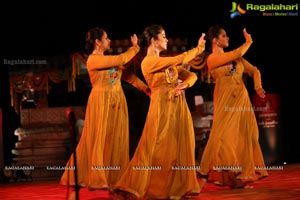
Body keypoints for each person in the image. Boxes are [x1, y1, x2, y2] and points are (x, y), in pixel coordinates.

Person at [113, 24, 206, 199]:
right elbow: (181, 59)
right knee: (155, 148)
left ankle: (178, 188)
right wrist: (199, 48)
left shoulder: (166, 63)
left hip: (178, 108)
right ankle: (139, 187)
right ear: (154, 41)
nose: (166, 39)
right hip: (161, 108)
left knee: (180, 146)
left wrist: (183, 84)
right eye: (163, 36)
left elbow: (191, 75)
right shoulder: (149, 62)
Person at [60, 27, 150, 199]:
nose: (109, 40)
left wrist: (146, 90)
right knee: (95, 142)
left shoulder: (109, 61)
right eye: (106, 38)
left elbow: (127, 75)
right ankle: (75, 184)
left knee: (116, 144)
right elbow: (122, 58)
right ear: (97, 42)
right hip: (101, 103)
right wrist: (135, 47)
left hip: (117, 105)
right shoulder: (93, 60)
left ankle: (116, 186)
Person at [197, 26, 268, 190]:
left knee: (247, 136)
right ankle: (205, 171)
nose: (228, 38)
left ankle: (237, 177)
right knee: (222, 137)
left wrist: (257, 87)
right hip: (226, 102)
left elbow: (254, 70)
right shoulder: (212, 59)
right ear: (215, 40)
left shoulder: (236, 60)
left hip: (242, 102)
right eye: (224, 35)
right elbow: (236, 53)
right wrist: (248, 42)